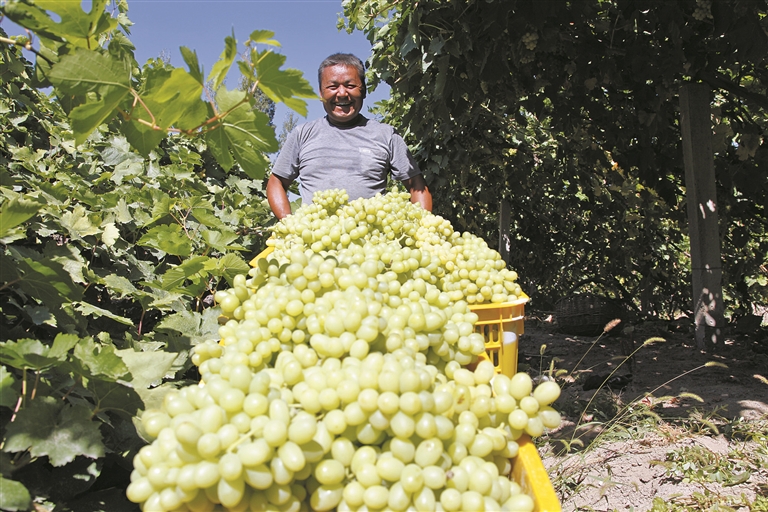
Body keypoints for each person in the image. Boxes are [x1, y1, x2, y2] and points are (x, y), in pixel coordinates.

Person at [266, 53, 432, 220]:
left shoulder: (387, 135)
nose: (342, 94)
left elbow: (417, 186)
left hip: (371, 243)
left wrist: (422, 229)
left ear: (364, 90)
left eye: (350, 85)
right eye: (332, 87)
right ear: (321, 93)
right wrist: (288, 223)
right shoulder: (302, 134)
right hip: (315, 241)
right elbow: (276, 182)